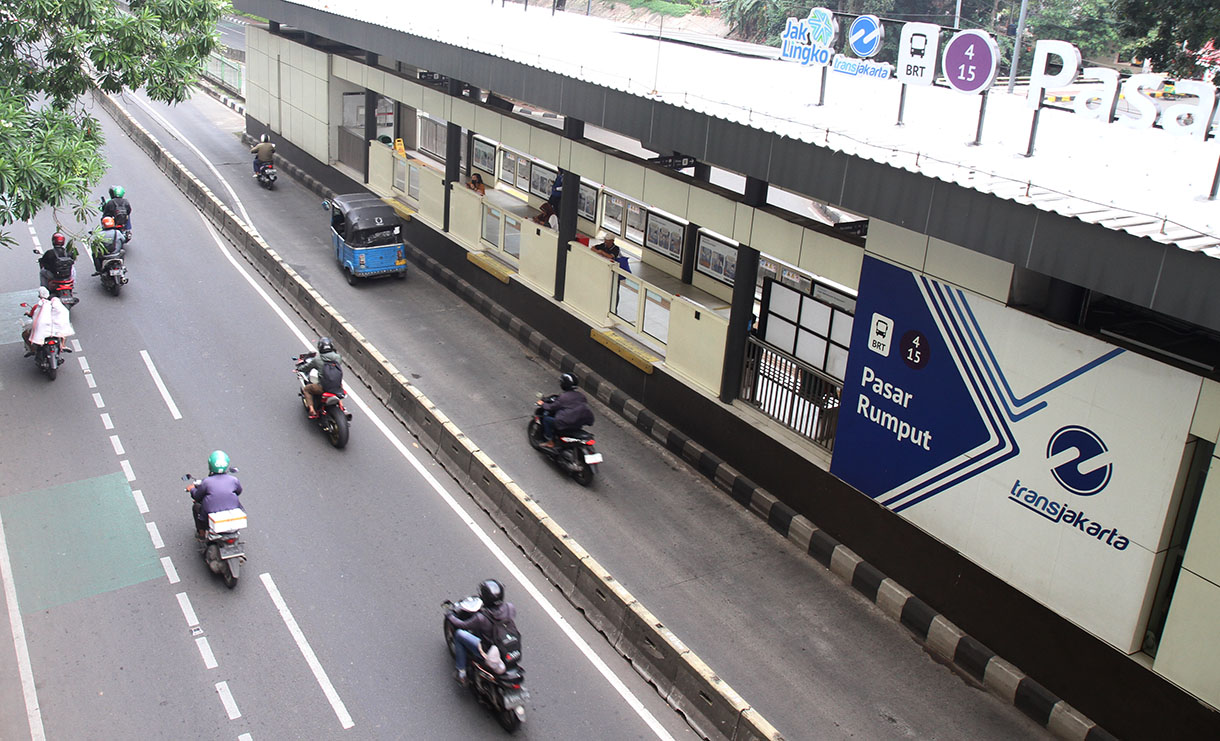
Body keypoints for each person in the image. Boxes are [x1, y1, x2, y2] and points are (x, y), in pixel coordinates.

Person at [446, 579, 515, 686]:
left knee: (459, 634)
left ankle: (461, 673)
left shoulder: (481, 618)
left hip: (488, 650)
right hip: (506, 646)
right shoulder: (510, 608)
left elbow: (462, 625)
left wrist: (450, 616)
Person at [189, 451, 243, 540]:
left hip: (209, 516)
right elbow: (239, 491)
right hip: (233, 516)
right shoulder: (234, 480)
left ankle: (201, 534)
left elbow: (197, 496)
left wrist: (191, 489)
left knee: (196, 507)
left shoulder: (206, 482)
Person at [538, 372, 594, 448]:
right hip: (578, 423)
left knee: (546, 419)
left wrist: (543, 404)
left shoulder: (564, 397)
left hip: (565, 423)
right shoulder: (581, 396)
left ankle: (550, 441)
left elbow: (552, 407)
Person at [296, 337, 343, 419]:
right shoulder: (338, 357)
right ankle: (342, 406)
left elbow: (306, 367)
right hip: (337, 385)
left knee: (307, 389)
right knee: (339, 388)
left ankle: (311, 410)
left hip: (323, 388)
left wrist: (298, 369)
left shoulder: (317, 359)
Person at [21, 287, 74, 356]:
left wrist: (28, 314)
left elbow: (33, 315)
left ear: (39, 296)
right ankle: (63, 345)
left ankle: (32, 349)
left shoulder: (38, 306)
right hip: (54, 327)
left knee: (25, 334)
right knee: (64, 330)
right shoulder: (55, 304)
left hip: (44, 328)